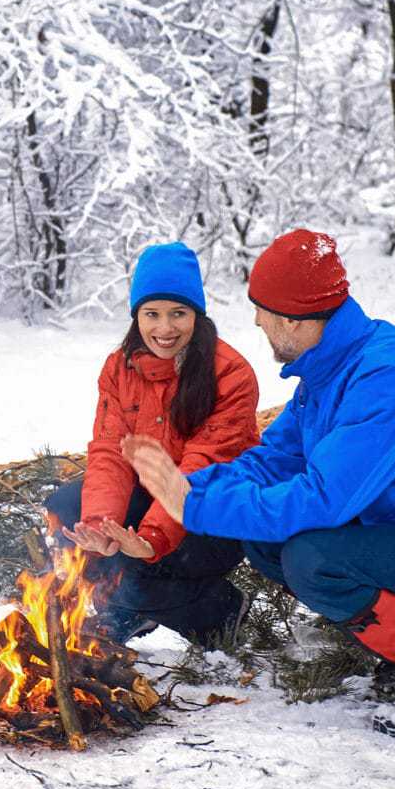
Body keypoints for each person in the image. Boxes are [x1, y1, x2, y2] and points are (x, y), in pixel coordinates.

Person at [122, 229, 395, 740]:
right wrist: (190, 488)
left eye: (263, 310)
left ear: (294, 319)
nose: (256, 320)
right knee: (270, 542)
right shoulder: (329, 371)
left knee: (313, 559)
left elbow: (323, 498)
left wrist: (196, 506)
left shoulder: (387, 374)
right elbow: (275, 460)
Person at [45, 242, 261, 643]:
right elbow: (111, 451)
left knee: (137, 570)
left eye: (178, 313)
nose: (165, 329)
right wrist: (100, 528)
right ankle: (127, 609)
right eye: (152, 314)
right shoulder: (119, 367)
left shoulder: (231, 374)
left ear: (196, 314)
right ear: (136, 316)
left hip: (212, 512)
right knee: (66, 512)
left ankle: (220, 611)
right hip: (153, 500)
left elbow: (200, 467)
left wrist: (150, 539)